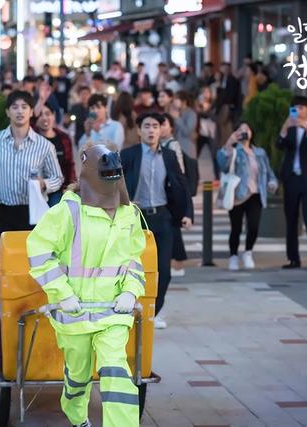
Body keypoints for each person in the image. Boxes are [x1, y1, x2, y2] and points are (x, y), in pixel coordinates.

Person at [27, 143, 145, 427]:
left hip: (113, 311)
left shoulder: (129, 213)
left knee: (116, 372)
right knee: (78, 375)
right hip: (75, 311)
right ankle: (76, 416)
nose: (112, 179)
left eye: (116, 173)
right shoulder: (67, 210)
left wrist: (131, 290)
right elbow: (40, 254)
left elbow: (133, 259)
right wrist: (63, 294)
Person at [121, 112, 193, 329]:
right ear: (139, 131)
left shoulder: (169, 156)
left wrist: (187, 213)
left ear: (161, 130)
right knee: (133, 268)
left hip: (163, 217)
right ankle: (131, 309)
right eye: (147, 126)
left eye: (155, 126)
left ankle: (154, 311)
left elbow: (182, 186)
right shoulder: (128, 155)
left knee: (163, 270)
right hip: (135, 219)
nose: (151, 130)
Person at [0, 90, 63, 243]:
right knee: (7, 258)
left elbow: (57, 178)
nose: (19, 111)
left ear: (31, 112)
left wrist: (44, 184)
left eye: (24, 107)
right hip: (2, 209)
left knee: (28, 260)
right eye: (15, 107)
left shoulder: (44, 145)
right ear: (7, 112)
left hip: (32, 210)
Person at [217, 122, 278, 270]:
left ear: (251, 133)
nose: (244, 132)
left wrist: (272, 182)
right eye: (240, 130)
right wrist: (229, 144)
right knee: (236, 228)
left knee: (254, 226)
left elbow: (269, 172)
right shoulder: (234, 151)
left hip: (256, 194)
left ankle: (248, 252)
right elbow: (223, 165)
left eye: (247, 130)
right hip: (238, 194)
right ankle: (233, 256)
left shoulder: (260, 153)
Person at [277, 96, 307, 271]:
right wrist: (284, 128)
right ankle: (293, 258)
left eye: (302, 108)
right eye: (295, 108)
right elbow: (279, 145)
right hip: (291, 178)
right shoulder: (289, 127)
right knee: (291, 219)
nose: (299, 111)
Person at [159, 113, 188, 277]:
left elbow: (180, 172)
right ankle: (173, 263)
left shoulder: (173, 145)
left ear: (171, 128)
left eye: (164, 125)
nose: (161, 128)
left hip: (171, 193)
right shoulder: (158, 145)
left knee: (173, 229)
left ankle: (178, 264)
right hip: (164, 193)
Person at [34, 101, 76, 206]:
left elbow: (69, 165)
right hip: (36, 189)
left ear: (54, 116)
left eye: (48, 114)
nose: (44, 118)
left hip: (59, 189)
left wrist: (69, 188)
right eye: (40, 115)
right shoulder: (32, 138)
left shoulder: (64, 138)